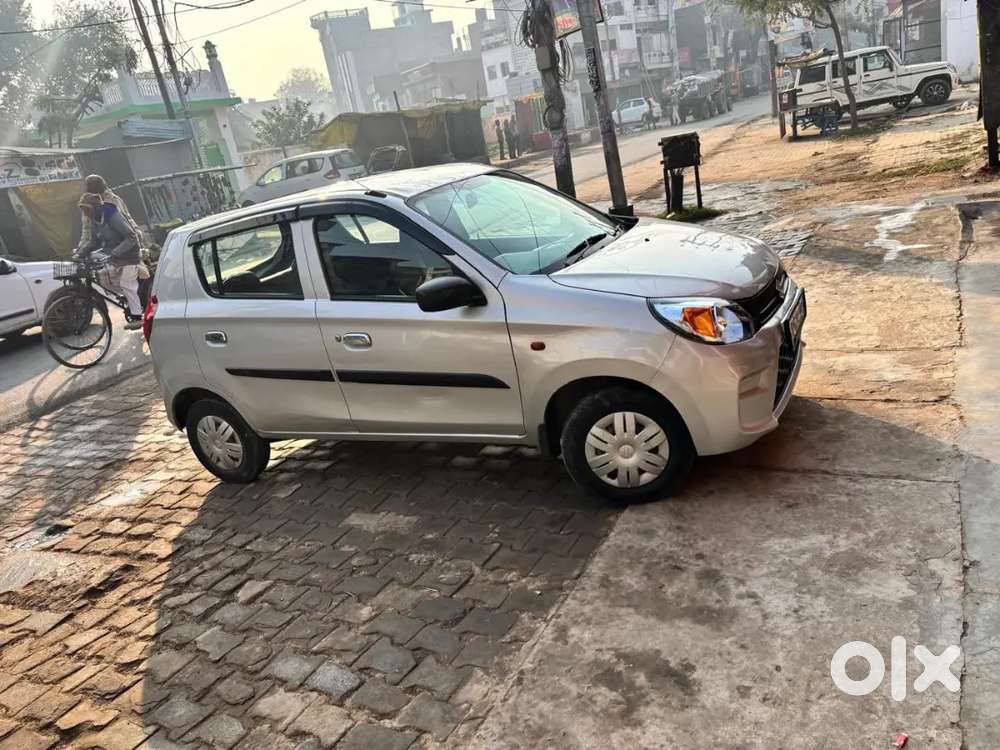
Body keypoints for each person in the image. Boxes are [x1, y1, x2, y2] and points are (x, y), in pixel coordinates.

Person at [76, 193, 144, 330]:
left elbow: (131, 237)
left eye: (86, 209)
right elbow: (95, 241)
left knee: (127, 283)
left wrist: (115, 252)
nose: (85, 213)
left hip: (129, 254)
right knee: (105, 280)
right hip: (113, 255)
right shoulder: (94, 219)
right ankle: (131, 299)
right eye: (83, 210)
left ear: (95, 207)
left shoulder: (112, 215)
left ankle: (137, 317)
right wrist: (81, 252)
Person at [79, 174, 138, 249]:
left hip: (122, 244)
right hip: (102, 245)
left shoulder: (113, 201)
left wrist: (138, 240)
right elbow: (86, 230)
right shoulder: (88, 205)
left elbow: (127, 221)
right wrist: (80, 248)